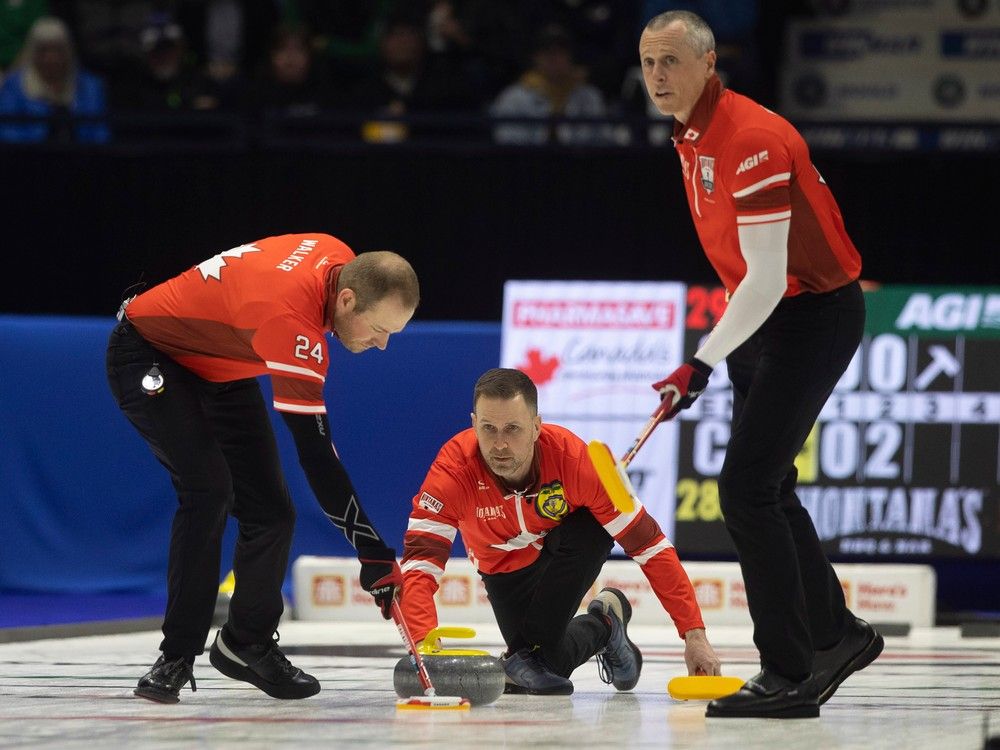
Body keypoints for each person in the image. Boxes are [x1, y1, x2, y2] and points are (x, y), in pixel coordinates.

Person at [638, 10, 883, 719]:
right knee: (767, 487)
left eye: (671, 62)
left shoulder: (749, 140)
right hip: (762, 318)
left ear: (709, 63)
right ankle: (836, 636)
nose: (657, 76)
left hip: (812, 316)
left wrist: (699, 361)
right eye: (648, 62)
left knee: (744, 488)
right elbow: (751, 279)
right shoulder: (688, 132)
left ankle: (789, 669)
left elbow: (771, 278)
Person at [106, 233, 418, 704]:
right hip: (151, 352)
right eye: (379, 329)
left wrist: (370, 552)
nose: (381, 345)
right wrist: (373, 553)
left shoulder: (336, 255)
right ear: (348, 299)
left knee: (272, 510)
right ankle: (176, 655)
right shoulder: (291, 321)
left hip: (217, 362)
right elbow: (316, 458)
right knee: (208, 490)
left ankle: (244, 643)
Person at [400, 367, 720, 695]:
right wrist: (424, 648)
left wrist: (694, 635)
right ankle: (606, 626)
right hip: (503, 566)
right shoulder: (452, 473)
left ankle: (549, 647)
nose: (499, 444)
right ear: (473, 424)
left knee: (593, 527)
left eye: (512, 428)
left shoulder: (576, 462)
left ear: (536, 426)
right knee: (539, 665)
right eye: (488, 429)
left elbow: (650, 547)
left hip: (567, 550)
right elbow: (419, 567)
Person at [490, 24, 609, 146]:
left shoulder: (589, 96)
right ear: (535, 57)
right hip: (530, 163)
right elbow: (507, 140)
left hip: (581, 162)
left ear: (570, 57)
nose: (554, 58)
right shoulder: (513, 97)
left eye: (560, 52)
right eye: (547, 52)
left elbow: (602, 139)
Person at [0, 16, 109, 144]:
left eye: (57, 50)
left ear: (68, 51)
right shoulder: (14, 86)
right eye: (44, 51)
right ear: (33, 53)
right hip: (30, 159)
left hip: (82, 159)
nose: (51, 58)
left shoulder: (91, 87)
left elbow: (101, 135)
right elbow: (6, 132)